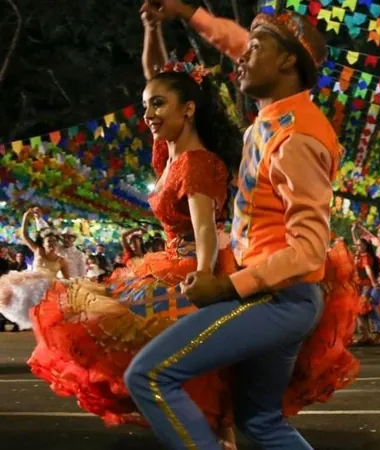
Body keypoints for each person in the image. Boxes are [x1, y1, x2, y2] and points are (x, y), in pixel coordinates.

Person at [122, 1, 357, 449]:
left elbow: (310, 250)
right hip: (275, 295)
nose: (241, 56)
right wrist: (187, 13)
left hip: (277, 299)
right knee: (261, 421)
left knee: (150, 375)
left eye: (255, 49)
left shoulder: (298, 137)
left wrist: (228, 288)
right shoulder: (274, 116)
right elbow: (234, 41)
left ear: (287, 61)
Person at [26, 6, 243, 447]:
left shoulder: (197, 163)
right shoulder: (169, 153)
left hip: (195, 267)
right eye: (146, 105)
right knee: (183, 373)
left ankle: (222, 438)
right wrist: (150, 28)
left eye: (158, 105)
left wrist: (203, 278)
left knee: (200, 375)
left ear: (188, 109)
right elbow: (155, 73)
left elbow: (204, 229)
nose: (148, 113)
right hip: (170, 264)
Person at [0, 207, 70, 329]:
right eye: (49, 241)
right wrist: (26, 217)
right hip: (33, 287)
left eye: (54, 241)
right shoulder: (38, 250)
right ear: (43, 243)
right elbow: (24, 235)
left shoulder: (62, 261)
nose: (52, 244)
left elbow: (67, 279)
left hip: (51, 290)